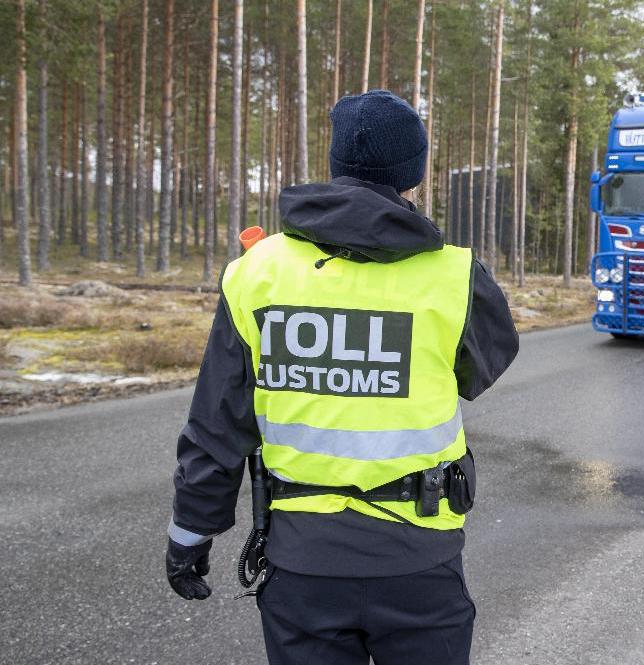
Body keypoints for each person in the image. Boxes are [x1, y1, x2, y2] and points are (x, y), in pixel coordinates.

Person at [165, 89, 519, 665]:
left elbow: (218, 422)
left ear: (335, 162)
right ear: (414, 173)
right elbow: (478, 374)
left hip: (302, 564)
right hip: (419, 557)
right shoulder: (456, 275)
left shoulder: (257, 272)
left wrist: (190, 531)